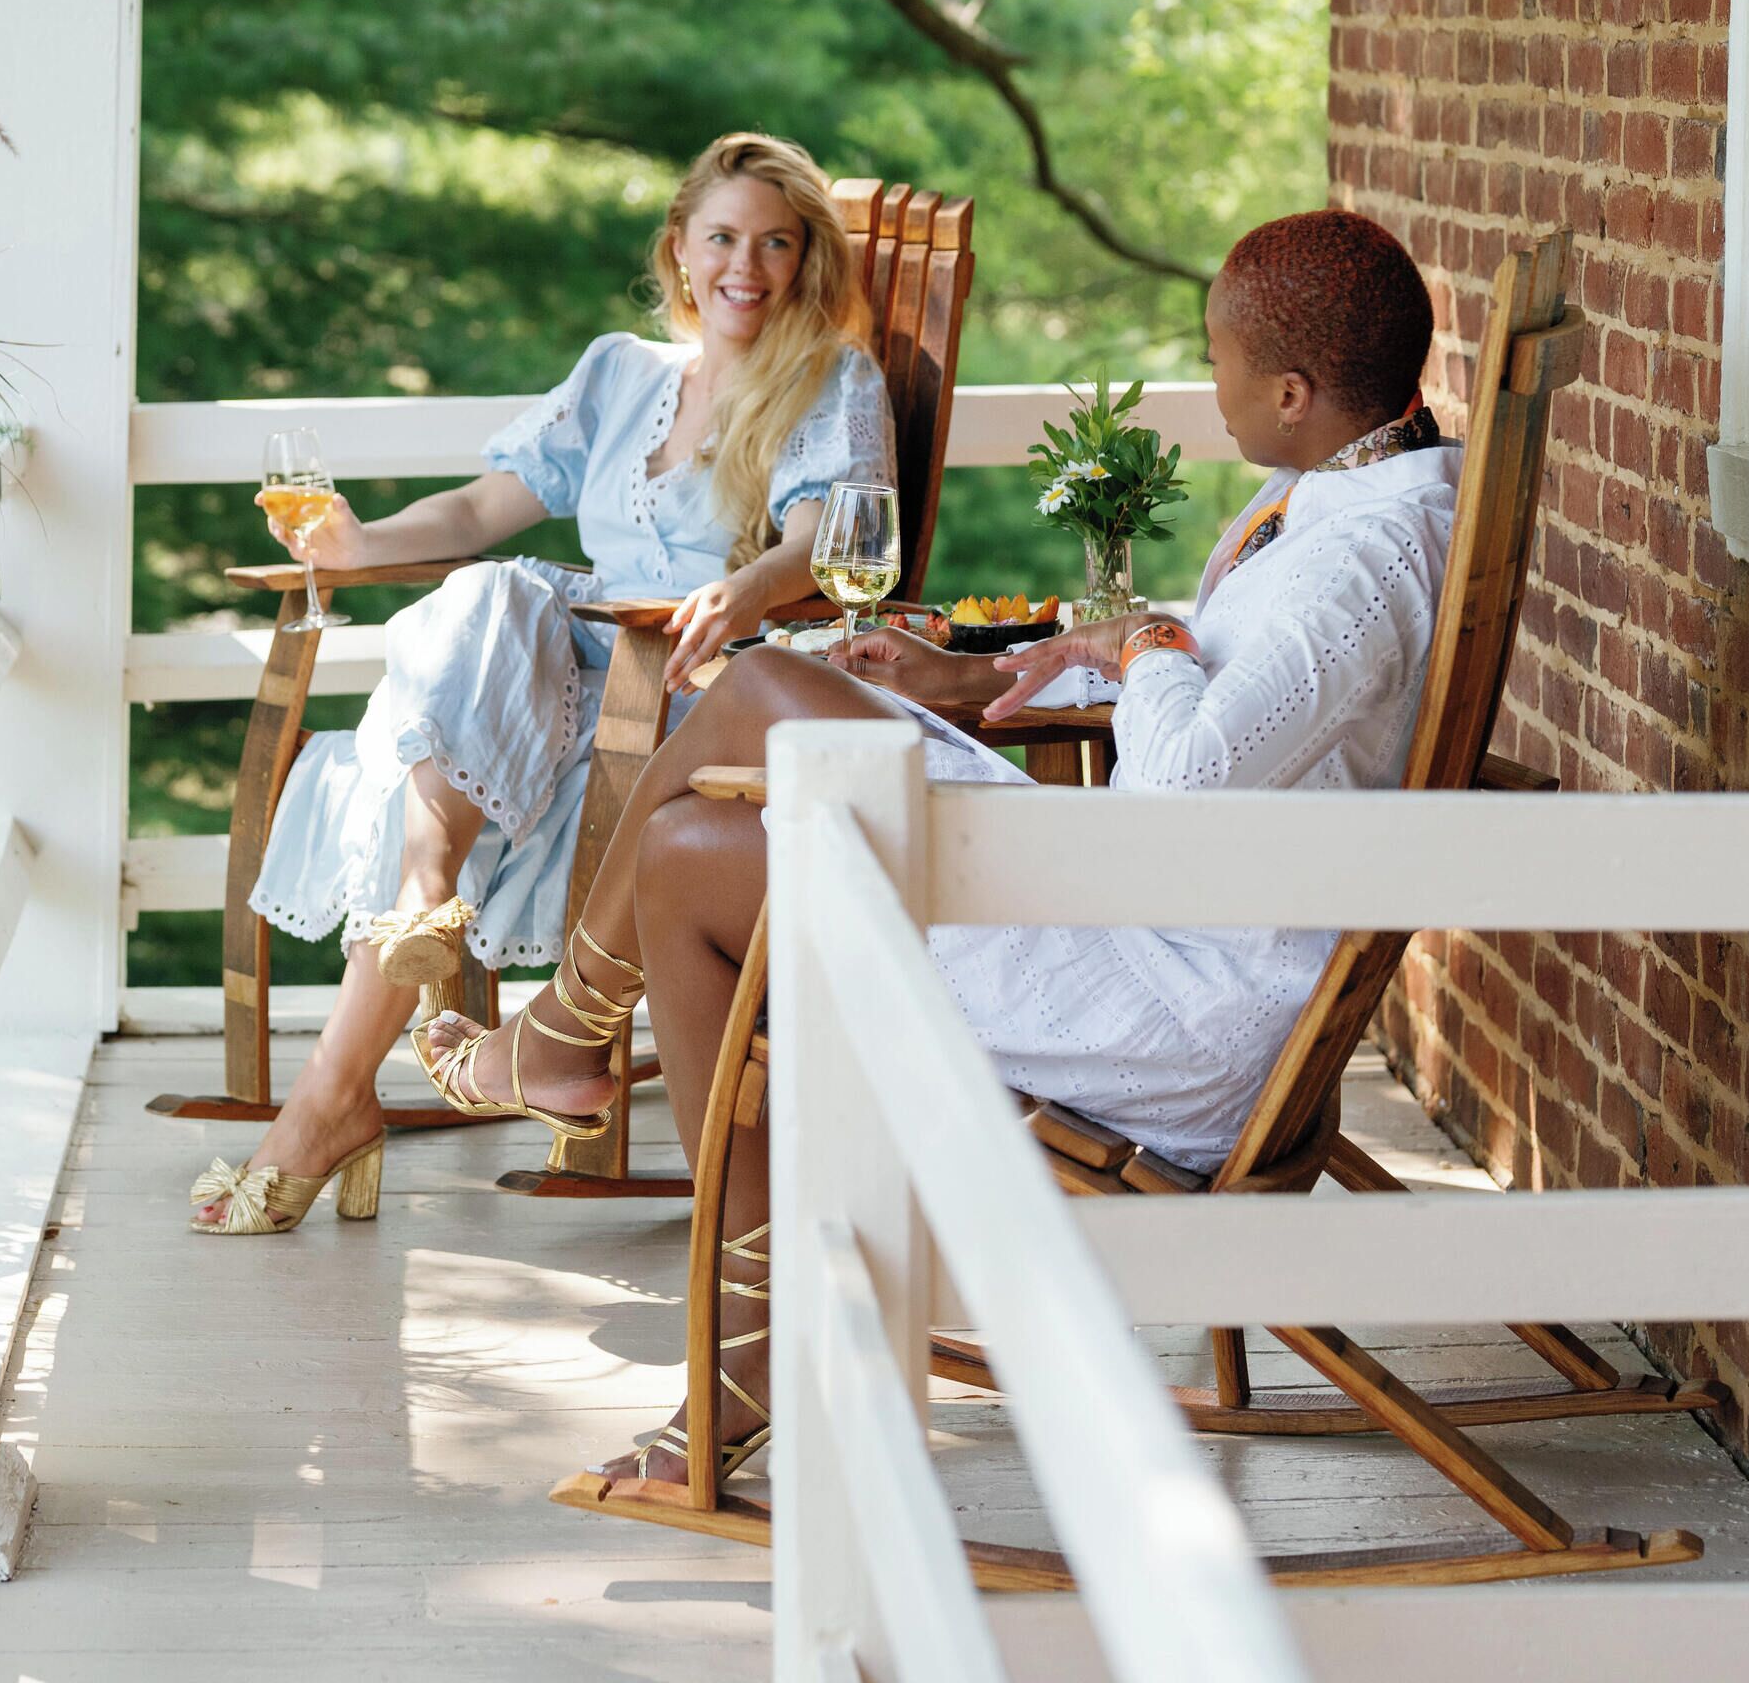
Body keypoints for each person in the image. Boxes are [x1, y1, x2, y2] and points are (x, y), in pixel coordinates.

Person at [415, 207, 1459, 1481]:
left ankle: (628, 1136)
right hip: (1135, 906)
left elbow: (1184, 770)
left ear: (1294, 393)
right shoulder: (1345, 490)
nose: (1212, 383)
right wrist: (1018, 668)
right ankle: (594, 1074)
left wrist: (1138, 644)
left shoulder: (1361, 561)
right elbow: (1245, 690)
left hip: (1175, 994)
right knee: (731, 755)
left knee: (714, 787)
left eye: (1221, 359)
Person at [188, 132, 895, 1234]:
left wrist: (747, 589)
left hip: (681, 690)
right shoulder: (622, 374)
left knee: (485, 624)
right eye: (721, 237)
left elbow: (824, 537)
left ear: (807, 261)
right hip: (553, 681)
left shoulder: (830, 381)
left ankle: (325, 1104)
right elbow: (477, 513)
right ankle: (425, 901)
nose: (744, 267)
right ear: (680, 248)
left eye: (775, 243)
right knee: (490, 591)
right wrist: (359, 539)